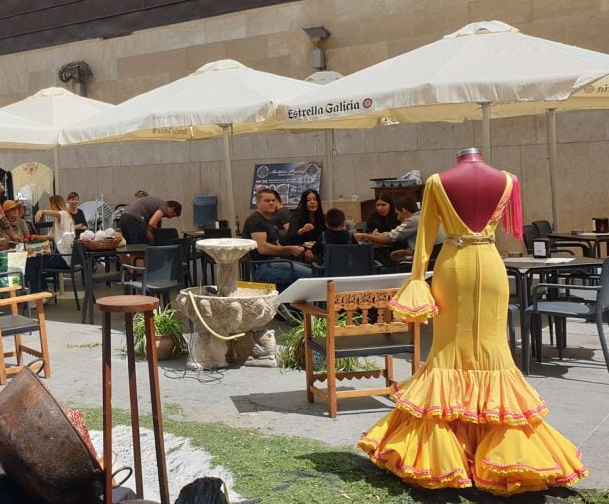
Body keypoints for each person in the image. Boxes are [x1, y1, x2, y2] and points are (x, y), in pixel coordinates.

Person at [360, 148, 587, 493]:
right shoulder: (507, 181)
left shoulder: (439, 181)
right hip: (490, 265)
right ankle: (490, 446)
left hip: (454, 266)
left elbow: (425, 235)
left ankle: (449, 447)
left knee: (451, 350)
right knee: (489, 352)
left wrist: (417, 276)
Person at [242, 188, 312, 288]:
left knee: (313, 271)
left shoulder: (268, 220)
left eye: (273, 200)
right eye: (267, 201)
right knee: (311, 274)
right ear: (257, 203)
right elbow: (262, 248)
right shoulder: (256, 220)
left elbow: (277, 245)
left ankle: (291, 302)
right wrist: (289, 249)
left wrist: (299, 251)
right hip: (262, 267)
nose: (271, 203)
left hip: (274, 262)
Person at [355, 196, 430, 264]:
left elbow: (388, 238)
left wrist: (364, 235)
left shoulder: (412, 221)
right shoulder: (424, 216)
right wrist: (406, 252)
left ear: (403, 210)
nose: (398, 218)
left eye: (398, 214)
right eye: (378, 205)